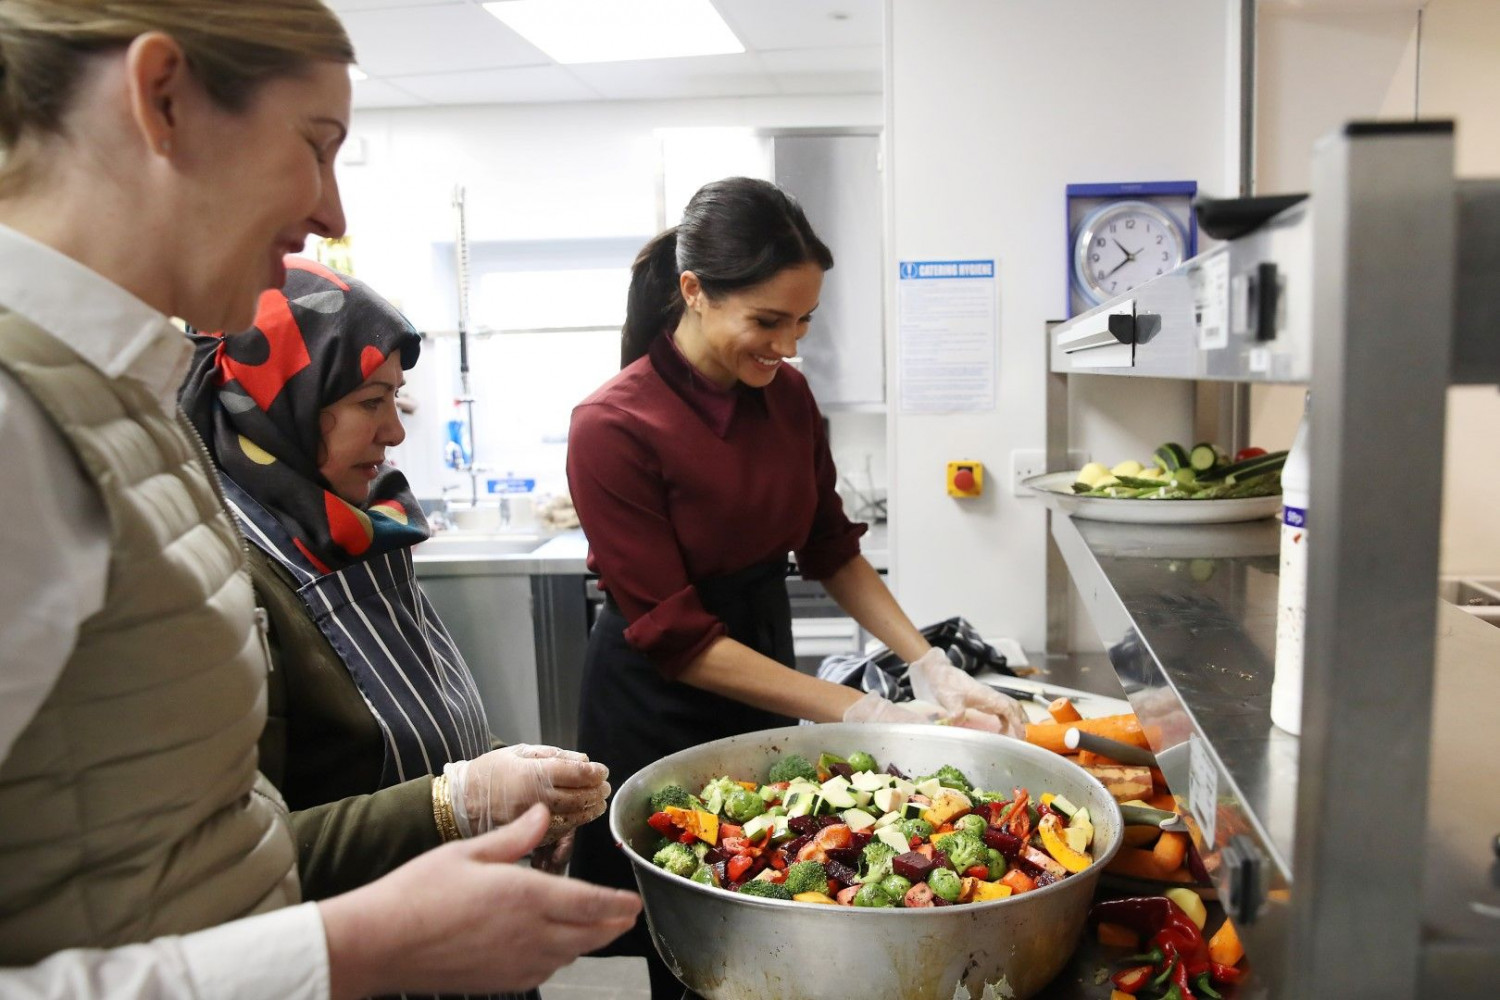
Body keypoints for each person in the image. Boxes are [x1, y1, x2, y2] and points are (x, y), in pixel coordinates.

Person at [0, 3, 638, 998]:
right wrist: (358, 944)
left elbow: (190, 836)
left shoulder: (130, 403)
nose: (333, 214)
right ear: (161, 97)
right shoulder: (17, 417)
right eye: (317, 145)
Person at [565, 176, 1025, 997]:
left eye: (805, 319)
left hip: (761, 666)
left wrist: (926, 663)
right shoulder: (613, 424)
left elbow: (830, 547)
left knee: (792, 895)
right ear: (695, 291)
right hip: (659, 696)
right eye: (769, 321)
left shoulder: (789, 398)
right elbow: (677, 636)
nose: (789, 344)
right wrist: (860, 710)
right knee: (698, 938)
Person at [179, 259, 610, 910]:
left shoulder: (358, 526)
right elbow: (233, 860)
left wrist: (506, 773)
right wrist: (454, 803)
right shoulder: (228, 576)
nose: (396, 431)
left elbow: (408, 721)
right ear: (281, 405)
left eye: (395, 399)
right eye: (370, 402)